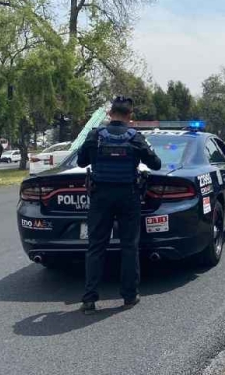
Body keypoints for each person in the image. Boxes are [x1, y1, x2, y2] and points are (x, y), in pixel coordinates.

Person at [77, 96, 162, 315]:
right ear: (130, 116)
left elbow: (81, 162)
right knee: (129, 247)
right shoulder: (135, 138)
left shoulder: (95, 135)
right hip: (128, 196)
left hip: (100, 196)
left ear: (109, 113)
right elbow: (156, 163)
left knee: (96, 247)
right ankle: (129, 296)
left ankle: (89, 300)